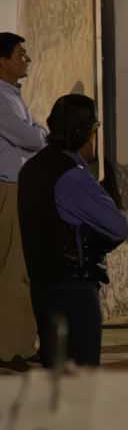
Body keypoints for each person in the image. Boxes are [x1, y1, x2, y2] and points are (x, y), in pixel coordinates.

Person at [19, 94, 128, 367]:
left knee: (55, 375)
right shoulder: (73, 176)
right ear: (84, 133)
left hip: (42, 285)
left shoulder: (31, 168)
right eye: (95, 129)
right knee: (81, 377)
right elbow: (117, 227)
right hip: (75, 287)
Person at [0, 33, 47, 366]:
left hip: (16, 182)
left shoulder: (11, 95)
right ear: (2, 61)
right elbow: (31, 137)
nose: (26, 60)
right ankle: (13, 347)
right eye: (20, 54)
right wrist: (41, 133)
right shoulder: (1, 98)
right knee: (15, 268)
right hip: (9, 184)